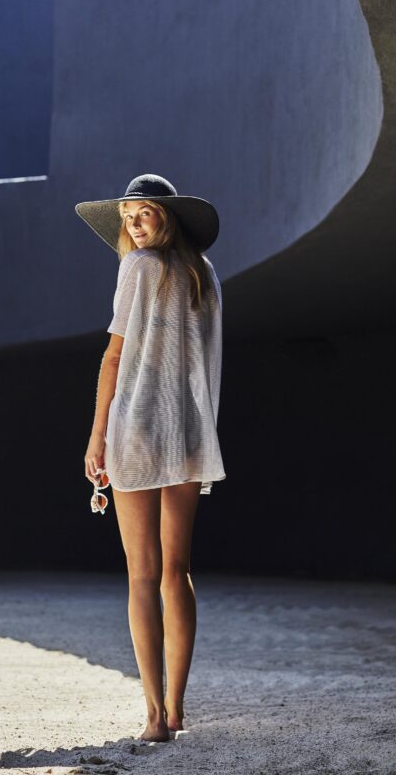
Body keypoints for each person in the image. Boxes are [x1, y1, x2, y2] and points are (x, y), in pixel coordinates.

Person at [75, 173, 226, 742]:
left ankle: (155, 717)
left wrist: (96, 436)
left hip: (137, 427)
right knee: (177, 570)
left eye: (145, 213)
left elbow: (114, 356)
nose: (134, 223)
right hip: (187, 429)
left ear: (169, 218)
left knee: (143, 574)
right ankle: (178, 707)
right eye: (128, 215)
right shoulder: (204, 274)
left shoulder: (138, 267)